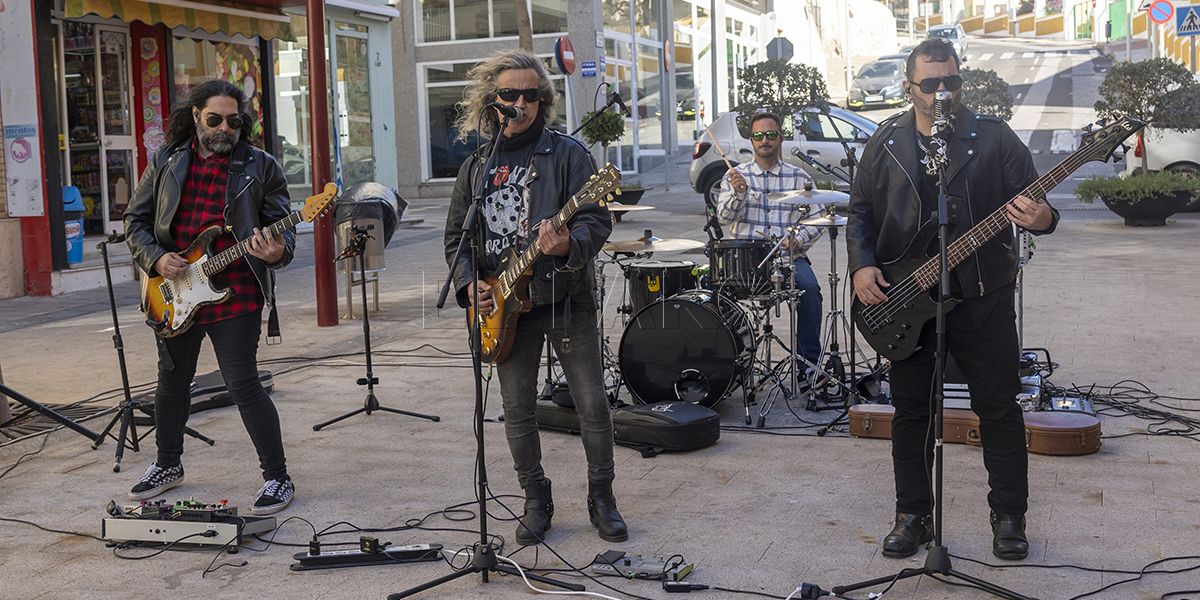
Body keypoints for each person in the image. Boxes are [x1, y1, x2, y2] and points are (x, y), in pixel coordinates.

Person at [846, 39, 1058, 561]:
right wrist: (862, 263)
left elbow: (1040, 205)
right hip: (909, 299)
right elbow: (860, 212)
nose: (942, 92)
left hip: (983, 296)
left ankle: (1009, 516)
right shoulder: (887, 141)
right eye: (931, 84)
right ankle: (913, 516)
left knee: (999, 408)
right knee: (911, 412)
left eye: (951, 82)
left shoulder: (994, 138)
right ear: (909, 87)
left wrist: (1044, 219)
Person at [443, 50, 625, 545]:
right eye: (509, 95)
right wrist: (469, 285)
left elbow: (596, 219)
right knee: (517, 409)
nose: (520, 103)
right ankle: (535, 498)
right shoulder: (478, 166)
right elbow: (457, 237)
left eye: (530, 95)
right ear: (492, 101)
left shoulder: (569, 155)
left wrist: (568, 244)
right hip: (505, 309)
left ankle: (602, 498)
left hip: (565, 300)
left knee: (591, 406)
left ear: (542, 100)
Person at [124, 80, 296, 515]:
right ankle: (167, 465)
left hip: (235, 291)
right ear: (196, 117)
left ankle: (277, 477)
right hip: (172, 291)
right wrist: (157, 260)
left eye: (234, 121)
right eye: (215, 119)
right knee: (171, 384)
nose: (225, 128)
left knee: (244, 385)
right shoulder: (167, 159)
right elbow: (136, 221)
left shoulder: (261, 165)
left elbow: (283, 227)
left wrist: (276, 250)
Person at [716, 112, 825, 370]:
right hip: (745, 261)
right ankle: (732, 362)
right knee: (716, 296)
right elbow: (723, 217)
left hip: (787, 259)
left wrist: (798, 240)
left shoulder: (799, 177)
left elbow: (819, 217)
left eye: (770, 135)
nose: (764, 140)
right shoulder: (735, 176)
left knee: (811, 291)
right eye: (758, 135)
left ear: (780, 138)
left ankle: (808, 364)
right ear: (751, 140)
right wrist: (739, 193)